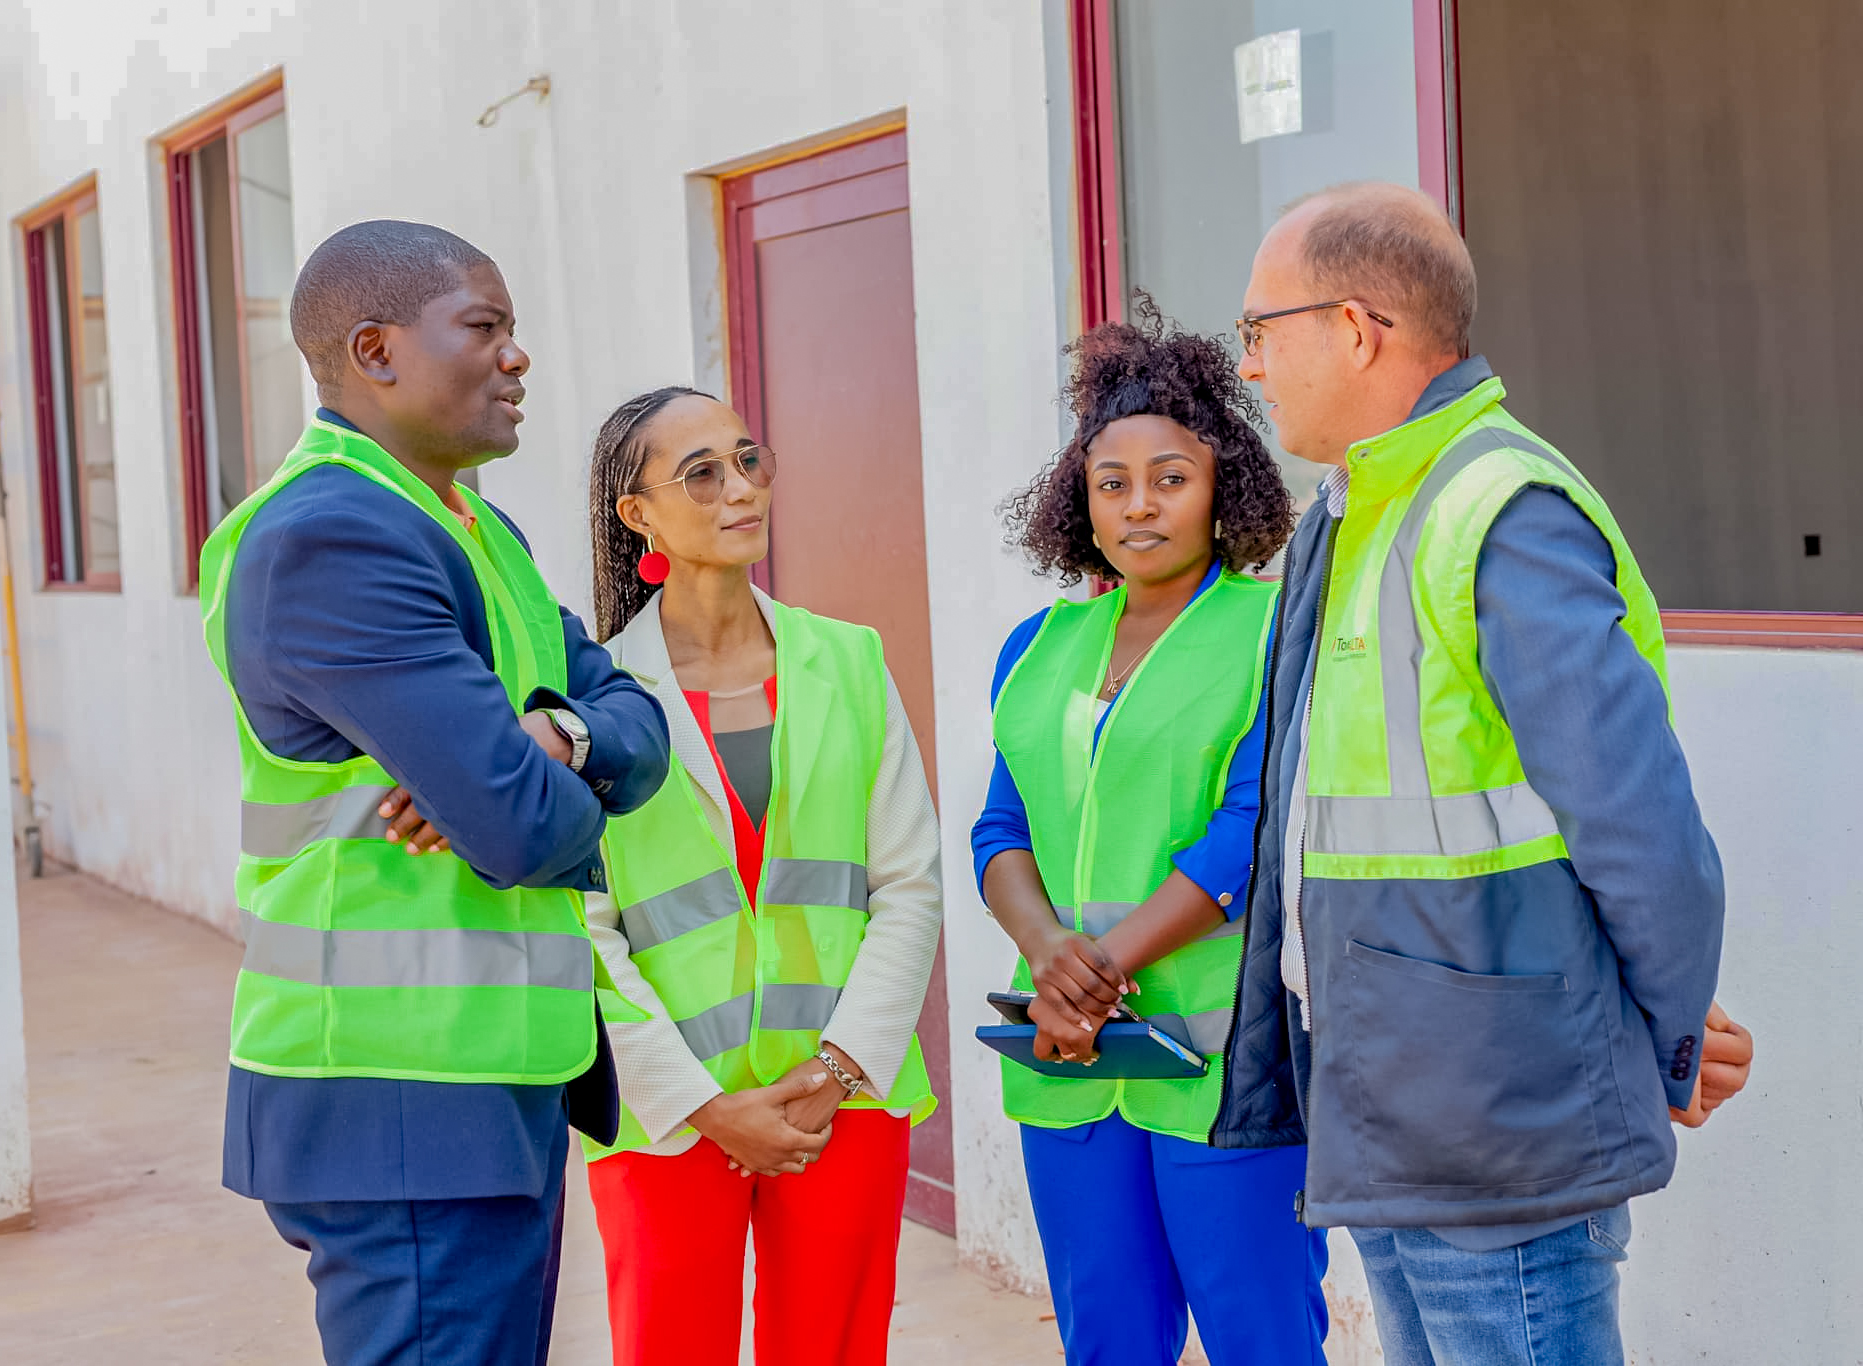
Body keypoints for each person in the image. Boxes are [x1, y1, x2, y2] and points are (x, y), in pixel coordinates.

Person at [1213, 181, 1755, 1365]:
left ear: (1356, 329)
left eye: (1260, 331)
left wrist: (1663, 1039)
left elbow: (1640, 825)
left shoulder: (1499, 506)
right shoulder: (1352, 513)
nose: (1249, 366)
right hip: (1392, 1099)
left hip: (1497, 1117)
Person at [200, 220, 670, 1365]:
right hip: (396, 1092)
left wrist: (551, 732)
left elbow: (641, 727)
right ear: (375, 350)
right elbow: (520, 825)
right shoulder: (332, 534)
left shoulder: (475, 529)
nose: (517, 358)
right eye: (485, 328)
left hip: (483, 1077)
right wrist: (526, 777)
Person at [972, 298, 1329, 1365]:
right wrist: (1050, 963)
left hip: (1223, 1064)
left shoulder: (1271, 630)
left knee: (1262, 1333)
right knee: (1108, 1338)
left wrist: (1097, 970)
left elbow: (1250, 830)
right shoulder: (1039, 644)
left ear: (1224, 488)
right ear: (1078, 502)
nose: (1140, 506)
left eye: (1171, 478)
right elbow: (1001, 827)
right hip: (1068, 1057)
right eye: (1111, 483)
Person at [575, 386, 944, 1366]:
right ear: (638, 514)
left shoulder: (849, 661)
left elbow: (908, 881)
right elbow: (583, 927)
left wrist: (834, 1070)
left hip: (842, 1103)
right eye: (701, 473)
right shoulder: (597, 699)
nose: (739, 488)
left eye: (748, 460)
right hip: (669, 1116)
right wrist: (703, 1104)